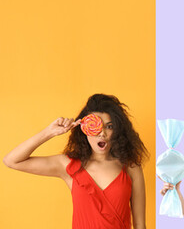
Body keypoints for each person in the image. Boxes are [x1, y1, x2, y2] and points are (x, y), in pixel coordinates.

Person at [4, 94, 147, 229]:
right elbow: (11, 161)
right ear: (84, 128)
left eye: (109, 126)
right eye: (96, 126)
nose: (102, 133)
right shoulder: (68, 165)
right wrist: (50, 132)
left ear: (117, 130)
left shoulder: (131, 167)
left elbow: (140, 225)